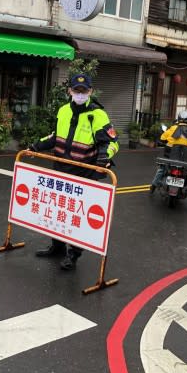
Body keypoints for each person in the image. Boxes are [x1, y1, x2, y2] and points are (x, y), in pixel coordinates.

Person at [29, 73, 119, 271]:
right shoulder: (63, 111)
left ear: (90, 92)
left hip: (84, 173)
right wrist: (36, 146)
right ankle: (58, 246)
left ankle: (73, 254)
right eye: (76, 90)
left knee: (77, 217)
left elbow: (111, 142)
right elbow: (55, 137)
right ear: (69, 91)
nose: (80, 94)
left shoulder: (98, 114)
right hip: (61, 170)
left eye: (83, 91)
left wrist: (104, 158)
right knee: (59, 212)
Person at [149, 110, 187, 205]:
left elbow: (162, 139)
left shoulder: (172, 129)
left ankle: (152, 188)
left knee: (161, 171)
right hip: (186, 162)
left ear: (178, 119)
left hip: (170, 160)